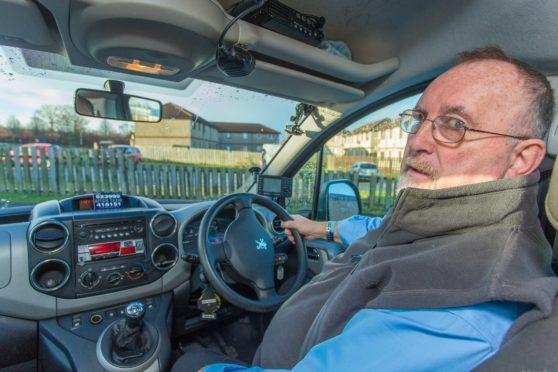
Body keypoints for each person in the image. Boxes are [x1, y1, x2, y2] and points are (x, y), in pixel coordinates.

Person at [172, 46, 558, 371]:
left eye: (455, 125)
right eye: (420, 118)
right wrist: (321, 229)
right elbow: (382, 229)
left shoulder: (461, 300)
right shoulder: (443, 222)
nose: (418, 141)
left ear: (522, 159)